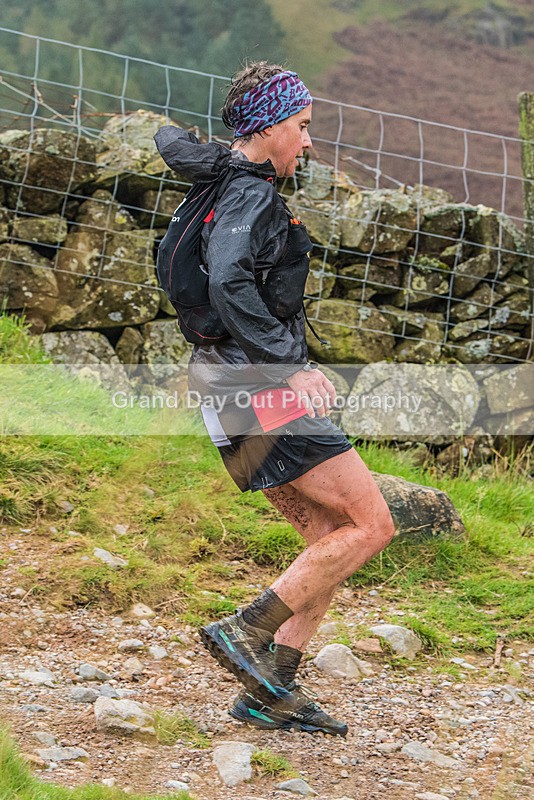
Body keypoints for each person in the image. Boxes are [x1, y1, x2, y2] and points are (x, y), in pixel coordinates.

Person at [154, 62, 395, 737]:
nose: (309, 143)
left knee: (325, 538)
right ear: (267, 128)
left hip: (223, 387)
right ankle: (243, 632)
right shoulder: (250, 196)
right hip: (255, 387)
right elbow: (231, 281)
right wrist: (289, 368)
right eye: (302, 127)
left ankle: (272, 690)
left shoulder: (221, 184)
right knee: (371, 525)